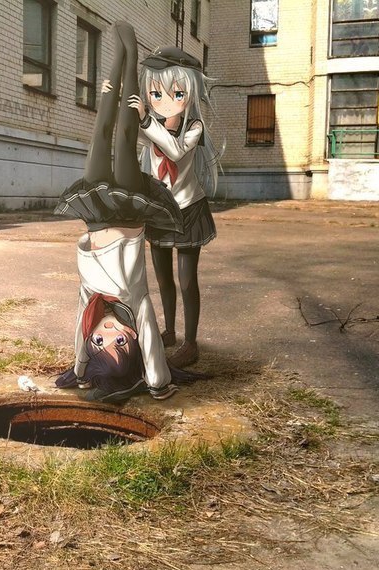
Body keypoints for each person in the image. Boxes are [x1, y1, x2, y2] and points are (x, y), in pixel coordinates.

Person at [53, 21, 186, 403]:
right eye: (120, 342)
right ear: (133, 340)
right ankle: (131, 59)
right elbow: (152, 343)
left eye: (100, 341)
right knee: (125, 138)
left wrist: (80, 371)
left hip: (96, 215)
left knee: (99, 136)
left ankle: (116, 61)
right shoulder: (136, 304)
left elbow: (80, 335)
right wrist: (158, 383)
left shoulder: (90, 302)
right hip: (128, 213)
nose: (108, 332)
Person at [128, 46, 220, 368]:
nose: (165, 101)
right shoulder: (150, 125)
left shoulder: (194, 128)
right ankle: (169, 332)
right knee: (163, 279)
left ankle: (190, 343)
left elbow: (175, 151)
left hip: (188, 210)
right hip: (160, 211)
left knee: (187, 280)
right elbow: (133, 140)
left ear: (189, 93)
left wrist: (145, 121)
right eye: (156, 94)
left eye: (176, 93)